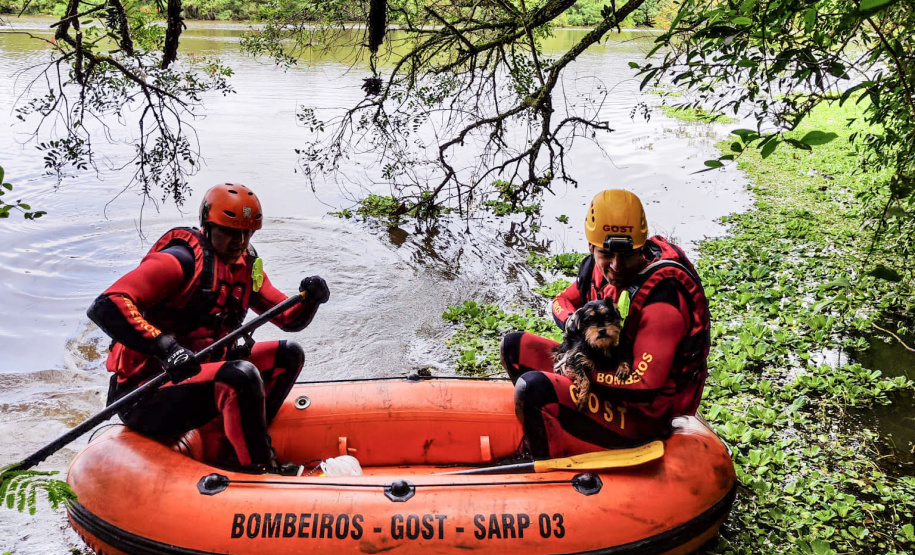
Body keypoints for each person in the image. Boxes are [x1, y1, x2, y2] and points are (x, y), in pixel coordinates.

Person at [87, 183, 330, 474]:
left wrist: (310, 300)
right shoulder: (179, 261)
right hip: (144, 393)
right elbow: (107, 304)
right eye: (229, 231)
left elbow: (289, 319)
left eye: (247, 232)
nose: (239, 240)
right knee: (239, 376)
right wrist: (167, 348)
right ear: (208, 225)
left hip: (199, 376)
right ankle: (258, 469)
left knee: (288, 355)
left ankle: (238, 441)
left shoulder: (245, 264)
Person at [500, 189, 711, 459]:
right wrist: (572, 322)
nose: (616, 266)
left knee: (536, 388)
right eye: (607, 254)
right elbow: (561, 301)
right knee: (515, 345)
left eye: (628, 254)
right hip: (607, 378)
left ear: (641, 246)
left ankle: (544, 465)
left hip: (645, 415)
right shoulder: (594, 269)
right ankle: (546, 423)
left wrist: (581, 373)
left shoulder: (663, 303)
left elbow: (643, 384)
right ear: (592, 247)